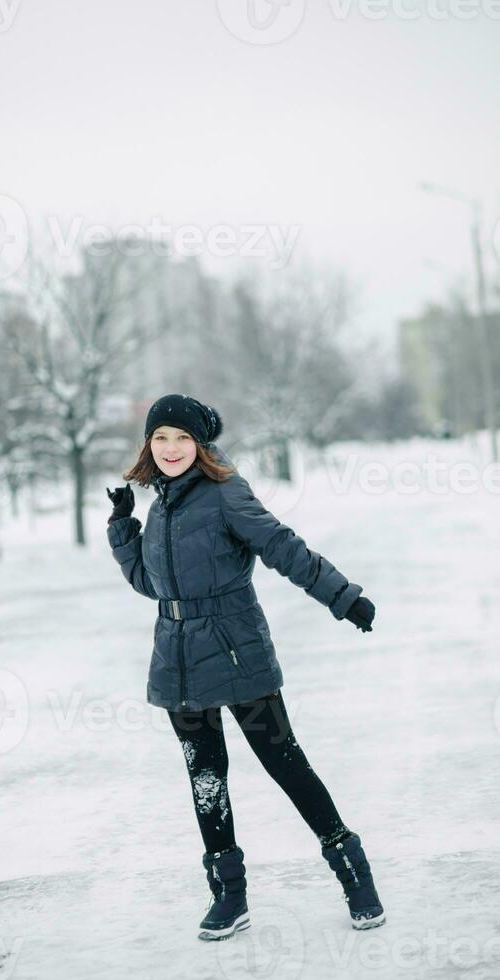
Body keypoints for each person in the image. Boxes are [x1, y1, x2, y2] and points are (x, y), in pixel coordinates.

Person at [106, 394, 385, 941]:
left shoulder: (225, 494)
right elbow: (151, 585)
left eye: (181, 438)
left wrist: (342, 596)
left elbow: (283, 547)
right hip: (177, 662)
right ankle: (229, 897)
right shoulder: (160, 504)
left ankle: (355, 874)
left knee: (286, 764)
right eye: (160, 438)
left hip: (237, 654)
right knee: (207, 780)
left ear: (200, 444)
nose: (169, 448)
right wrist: (123, 529)